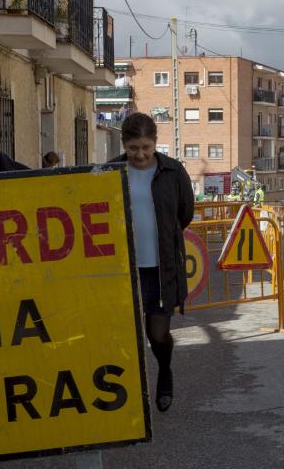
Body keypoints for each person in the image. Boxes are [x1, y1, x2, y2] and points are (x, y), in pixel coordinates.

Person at [109, 112, 194, 411]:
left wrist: (163, 241)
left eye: (146, 147)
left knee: (157, 334)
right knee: (125, 335)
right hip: (121, 270)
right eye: (133, 148)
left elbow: (185, 213)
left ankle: (165, 371)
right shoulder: (109, 171)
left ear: (156, 143)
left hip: (161, 268)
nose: (140, 154)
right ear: (124, 144)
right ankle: (130, 391)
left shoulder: (173, 171)